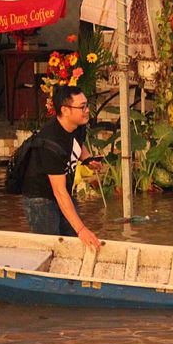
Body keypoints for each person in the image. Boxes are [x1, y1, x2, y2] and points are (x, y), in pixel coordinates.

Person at [20, 86, 102, 251]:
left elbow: (78, 143)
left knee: (73, 241)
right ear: (65, 110)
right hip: (41, 198)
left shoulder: (78, 125)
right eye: (82, 107)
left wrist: (87, 159)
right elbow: (58, 191)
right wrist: (82, 230)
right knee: (52, 247)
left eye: (87, 105)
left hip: (63, 192)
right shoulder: (51, 142)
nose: (87, 111)